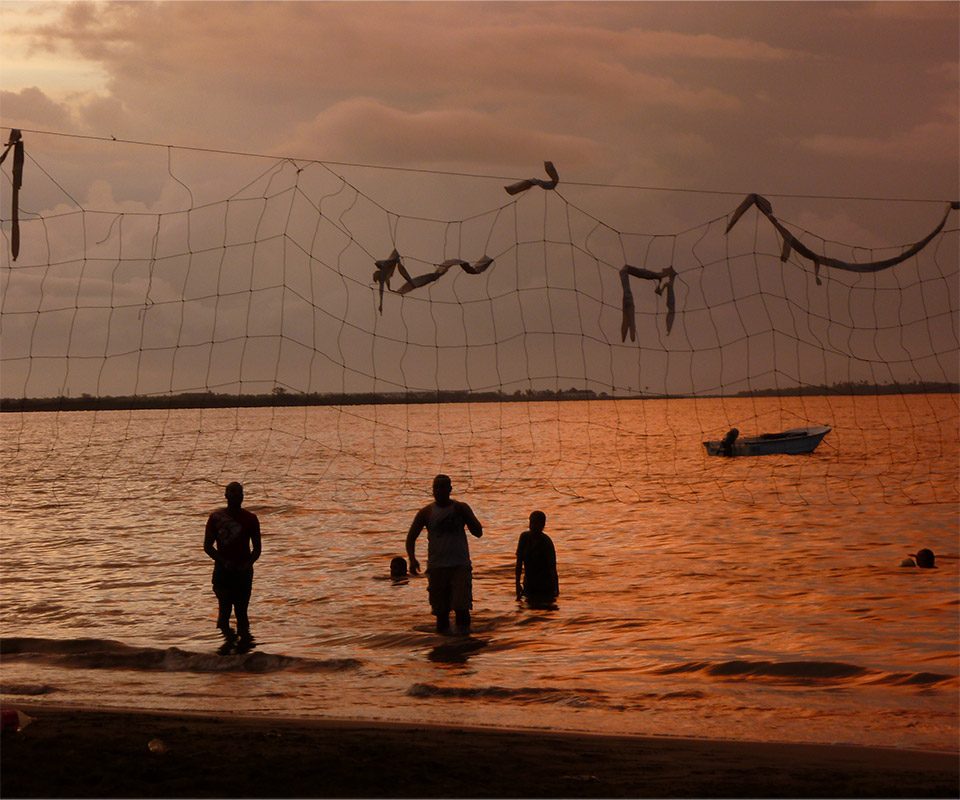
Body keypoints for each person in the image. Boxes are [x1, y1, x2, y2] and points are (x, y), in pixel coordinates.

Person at [406, 474, 483, 633]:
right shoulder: (426, 513)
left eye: (442, 487)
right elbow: (411, 538)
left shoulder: (460, 508)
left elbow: (478, 532)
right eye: (436, 487)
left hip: (460, 566)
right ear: (433, 490)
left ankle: (463, 644)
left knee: (462, 609)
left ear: (450, 489)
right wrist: (412, 559)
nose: (439, 490)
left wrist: (466, 515)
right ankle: (443, 647)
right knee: (441, 614)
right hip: (437, 567)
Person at [204, 482, 261, 641]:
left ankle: (244, 649)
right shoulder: (216, 518)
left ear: (243, 496)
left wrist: (247, 564)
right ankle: (225, 645)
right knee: (224, 610)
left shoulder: (251, 519)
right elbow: (208, 546)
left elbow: (257, 549)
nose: (236, 495)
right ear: (226, 495)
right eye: (232, 491)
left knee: (242, 612)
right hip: (223, 572)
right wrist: (224, 562)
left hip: (244, 572)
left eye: (239, 492)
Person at [515, 510, 559, 605]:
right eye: (532, 522)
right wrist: (517, 584)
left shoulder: (546, 542)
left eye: (537, 523)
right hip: (529, 585)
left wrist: (556, 590)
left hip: (545, 586)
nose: (534, 525)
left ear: (543, 525)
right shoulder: (524, 538)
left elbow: (552, 568)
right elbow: (519, 563)